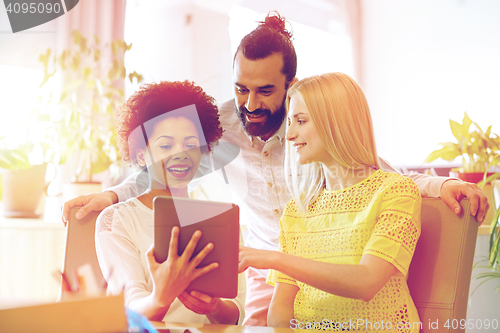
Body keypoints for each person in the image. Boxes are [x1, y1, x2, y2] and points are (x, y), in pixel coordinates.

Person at [63, 12, 488, 327]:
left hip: (321, 259)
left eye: (265, 91)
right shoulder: (220, 126)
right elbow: (163, 160)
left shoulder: (311, 126)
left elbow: (368, 168)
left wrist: (439, 183)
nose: (251, 104)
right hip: (266, 268)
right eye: (241, 88)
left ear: (289, 86)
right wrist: (112, 195)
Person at [239, 72, 421, 331]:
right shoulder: (296, 212)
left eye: (300, 121)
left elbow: (365, 282)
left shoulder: (396, 193)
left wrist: (274, 259)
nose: (289, 135)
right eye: (290, 122)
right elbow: (279, 312)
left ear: (336, 122)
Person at [95, 80, 244, 324]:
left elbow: (237, 311)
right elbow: (129, 312)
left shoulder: (221, 220)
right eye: (166, 145)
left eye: (191, 145)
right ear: (141, 154)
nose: (180, 154)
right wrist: (159, 298)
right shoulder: (116, 220)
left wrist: (214, 307)